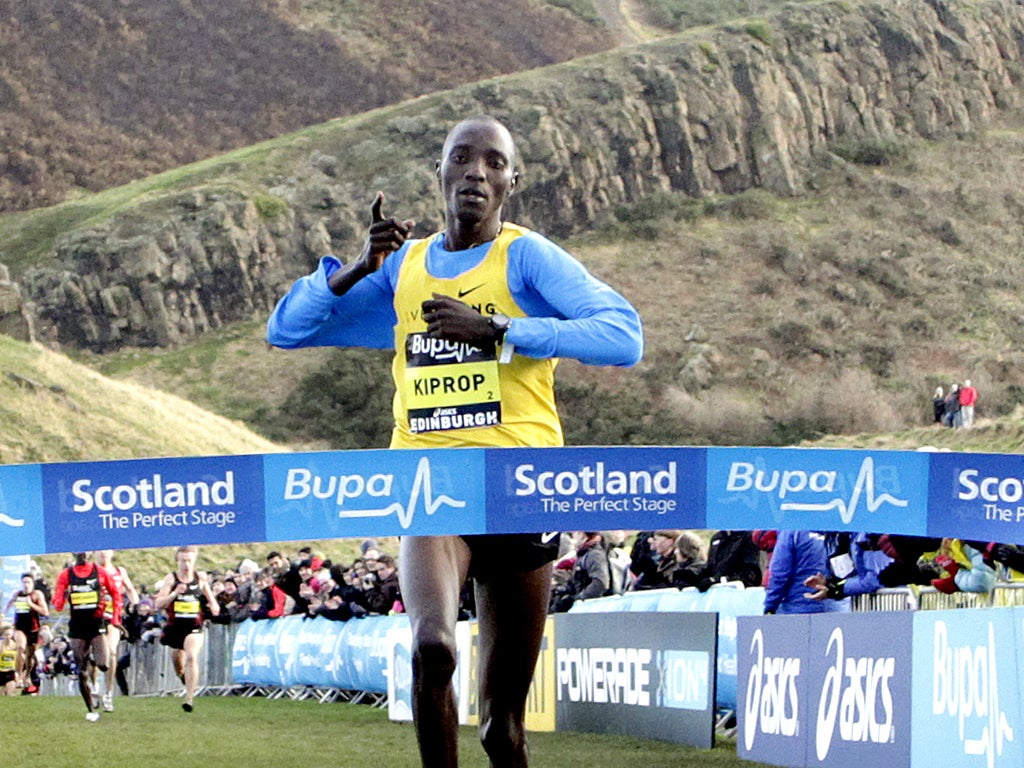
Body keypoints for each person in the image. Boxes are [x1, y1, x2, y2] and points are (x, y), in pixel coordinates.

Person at [267, 115, 643, 767]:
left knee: (504, 730)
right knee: (433, 647)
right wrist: (356, 268)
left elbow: (623, 337)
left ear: (512, 181)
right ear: (439, 173)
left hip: (522, 493)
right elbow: (286, 331)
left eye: (494, 162)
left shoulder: (523, 257)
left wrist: (500, 329)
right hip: (431, 485)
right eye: (462, 158)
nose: (477, 171)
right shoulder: (404, 267)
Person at [51, 551, 122, 721]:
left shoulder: (100, 572)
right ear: (74, 554)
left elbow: (116, 594)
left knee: (103, 664)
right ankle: (91, 707)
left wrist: (115, 617)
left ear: (89, 553)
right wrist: (64, 597)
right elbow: (58, 604)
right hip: (78, 625)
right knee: (80, 669)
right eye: (78, 552)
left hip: (96, 623)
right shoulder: (66, 575)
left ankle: (95, 671)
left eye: (85, 551)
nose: (82, 555)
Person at [154, 545, 220, 712]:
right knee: (179, 664)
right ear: (177, 560)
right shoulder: (171, 579)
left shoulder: (200, 580)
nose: (186, 565)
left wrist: (213, 606)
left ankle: (189, 698)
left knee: (191, 657)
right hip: (175, 627)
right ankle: (183, 677)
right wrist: (175, 593)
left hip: (194, 626)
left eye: (189, 561)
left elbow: (213, 602)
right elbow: (158, 603)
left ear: (194, 561)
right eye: (183, 561)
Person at [95, 549, 139, 712]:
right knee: (98, 656)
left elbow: (130, 589)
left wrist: (134, 605)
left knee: (112, 653)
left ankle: (108, 693)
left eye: (106, 551)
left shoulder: (120, 571)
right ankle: (94, 689)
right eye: (99, 552)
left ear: (112, 553)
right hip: (95, 617)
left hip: (113, 618)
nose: (102, 554)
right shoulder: (92, 570)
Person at [763, 531, 843, 614]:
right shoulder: (834, 528)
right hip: (834, 604)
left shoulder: (790, 532)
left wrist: (770, 605)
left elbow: (780, 573)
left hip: (797, 605)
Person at [4, 572, 48, 693]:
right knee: (20, 648)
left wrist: (31, 604)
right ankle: (17, 675)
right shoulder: (18, 594)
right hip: (19, 628)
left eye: (28, 582)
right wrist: (4, 613)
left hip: (33, 629)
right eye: (24, 582)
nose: (26, 585)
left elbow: (45, 612)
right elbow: (9, 604)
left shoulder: (36, 595)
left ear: (32, 584)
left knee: (30, 656)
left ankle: (27, 675)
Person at [0, 624, 18, 695]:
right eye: (6, 635)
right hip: (0, 671)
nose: (7, 637)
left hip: (10, 672)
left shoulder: (15, 645)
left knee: (10, 693)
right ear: (2, 635)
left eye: (9, 634)